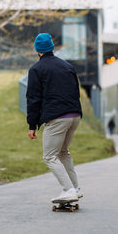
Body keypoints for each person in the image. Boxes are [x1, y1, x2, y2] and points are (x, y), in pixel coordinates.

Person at [26, 33, 83, 202]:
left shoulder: (36, 69)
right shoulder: (67, 66)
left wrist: (32, 125)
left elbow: (33, 99)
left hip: (57, 117)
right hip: (74, 115)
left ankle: (68, 190)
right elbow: (76, 91)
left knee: (49, 156)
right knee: (63, 152)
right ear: (51, 47)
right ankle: (76, 188)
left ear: (37, 50)